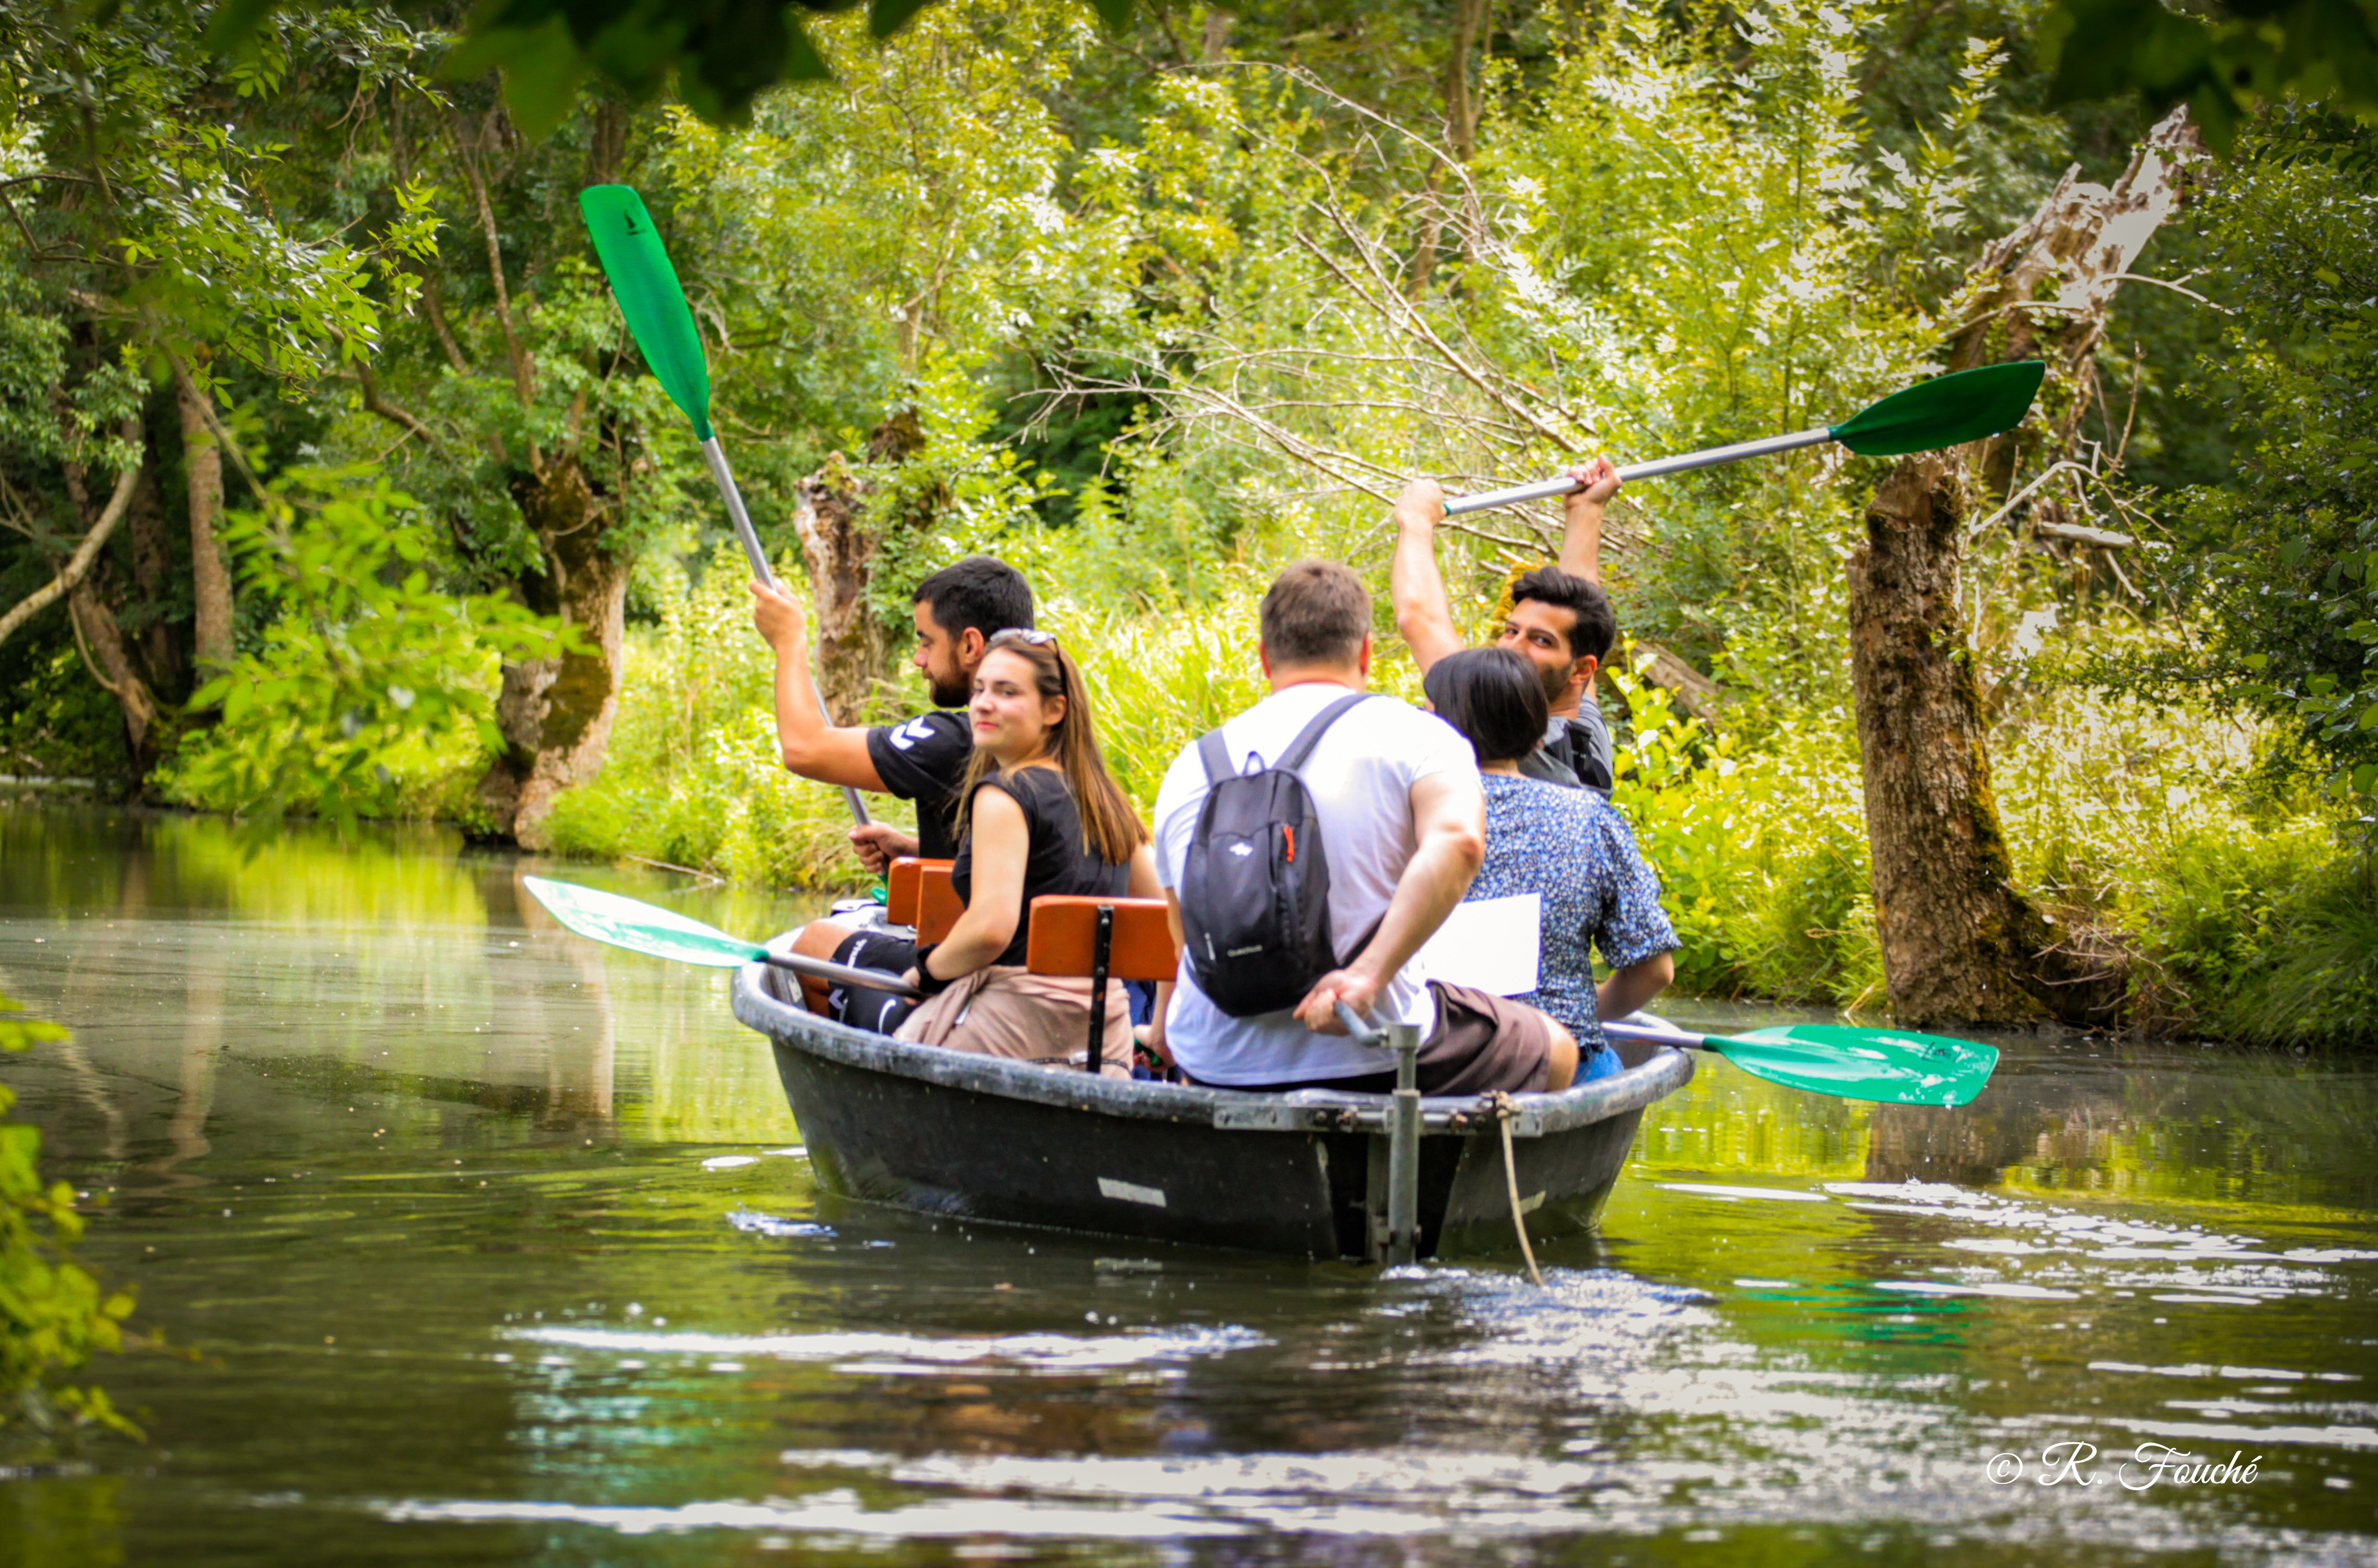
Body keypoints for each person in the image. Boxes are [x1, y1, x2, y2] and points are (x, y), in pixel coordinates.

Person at [1146, 559, 1582, 1096]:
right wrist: (1367, 977)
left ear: (1264, 657)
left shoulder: (1190, 764)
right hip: (1367, 1049)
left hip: (1214, 1060)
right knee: (1556, 1048)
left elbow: (1183, 934)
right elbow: (1459, 842)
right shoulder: (1419, 735)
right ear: (1366, 653)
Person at [752, 557, 1034, 1011]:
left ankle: (847, 1070)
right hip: (1050, 981)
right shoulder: (1059, 743)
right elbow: (1028, 867)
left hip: (981, 981)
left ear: (970, 646)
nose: (919, 660)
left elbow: (804, 749)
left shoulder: (956, 740)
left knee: (812, 944)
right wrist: (918, 852)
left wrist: (789, 642)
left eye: (926, 642)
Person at [884, 629, 1160, 1074]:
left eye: (1006, 692)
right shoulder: (1107, 800)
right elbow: (1165, 920)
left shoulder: (1004, 794)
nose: (983, 704)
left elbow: (990, 929)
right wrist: (1162, 1028)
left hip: (1013, 1029)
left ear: (1055, 710)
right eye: (979, 690)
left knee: (892, 1032)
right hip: (1101, 1038)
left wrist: (924, 973)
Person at [1421, 647, 1678, 1081]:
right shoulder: (1589, 817)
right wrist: (1579, 1011)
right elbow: (1654, 969)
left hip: (1427, 1057)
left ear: (1439, 730)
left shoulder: (1399, 814)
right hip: (1556, 1053)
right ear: (1536, 731)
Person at [1391, 461, 1621, 792]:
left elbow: (1420, 620)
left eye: (1541, 641)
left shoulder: (1507, 732)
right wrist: (1586, 510)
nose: (1513, 647)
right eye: (1512, 631)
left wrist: (1415, 523)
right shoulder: (1584, 734)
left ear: (1581, 670)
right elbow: (1581, 611)